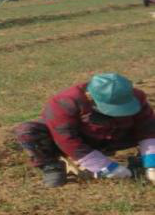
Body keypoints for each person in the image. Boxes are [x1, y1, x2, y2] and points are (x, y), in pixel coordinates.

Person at [14, 73, 155, 187]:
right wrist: (104, 167)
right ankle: (52, 166)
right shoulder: (65, 102)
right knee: (27, 131)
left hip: (115, 135)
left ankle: (140, 162)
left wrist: (152, 163)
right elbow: (66, 138)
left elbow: (148, 128)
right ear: (90, 97)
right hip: (76, 139)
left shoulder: (135, 97)